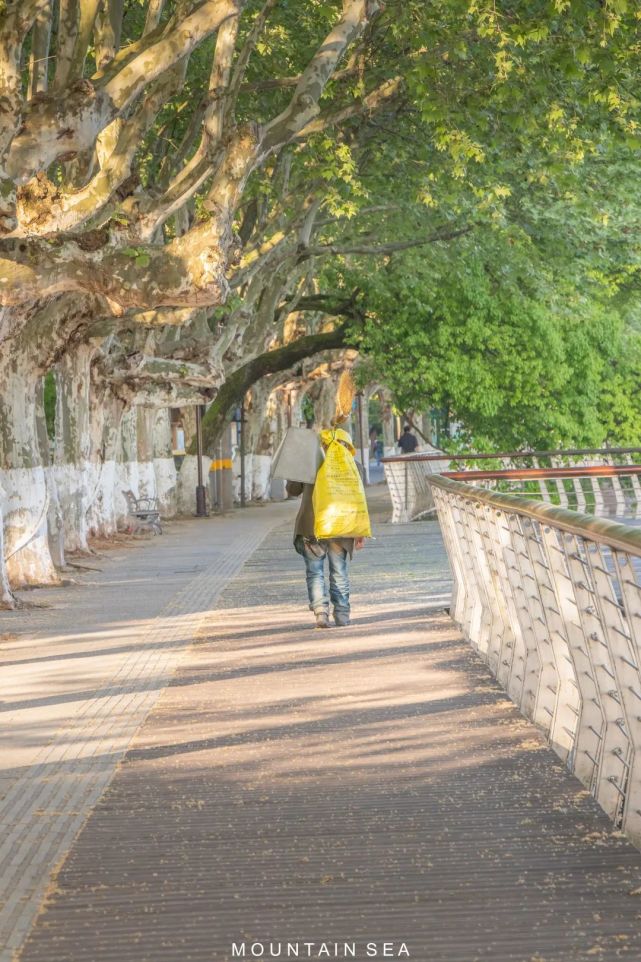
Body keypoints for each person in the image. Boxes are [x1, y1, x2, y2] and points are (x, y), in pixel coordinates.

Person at [286, 432, 364, 630]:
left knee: (315, 572)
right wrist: (359, 531)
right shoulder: (354, 467)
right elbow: (359, 501)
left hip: (311, 527)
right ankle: (342, 614)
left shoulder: (310, 466)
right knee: (339, 571)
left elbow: (292, 490)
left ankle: (321, 612)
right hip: (341, 527)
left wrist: (298, 465)